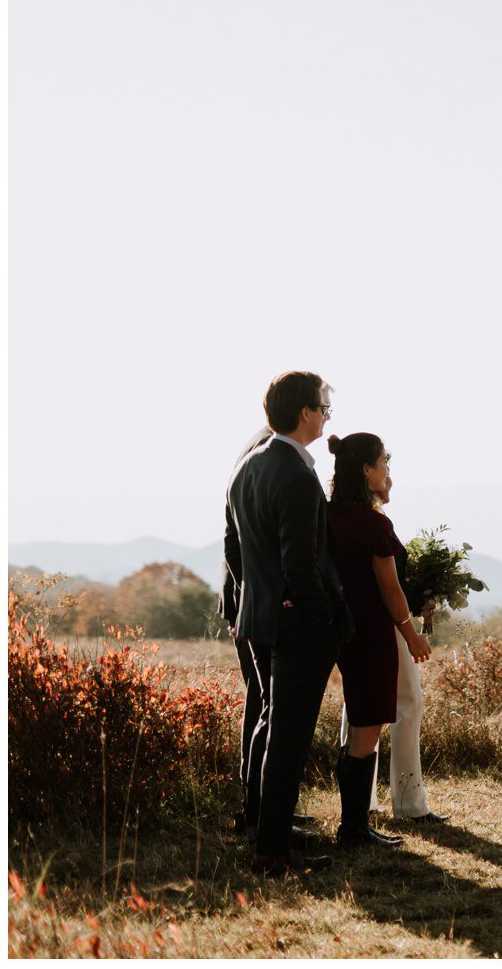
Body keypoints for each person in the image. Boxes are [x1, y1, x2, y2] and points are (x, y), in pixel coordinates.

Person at [225, 371, 352, 876]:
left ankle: (266, 833)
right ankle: (273, 853)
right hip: (297, 625)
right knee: (288, 738)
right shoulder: (296, 475)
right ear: (305, 413)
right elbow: (301, 564)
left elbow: (237, 550)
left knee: (269, 725)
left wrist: (259, 598)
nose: (326, 417)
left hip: (258, 617)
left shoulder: (247, 466)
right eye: (324, 409)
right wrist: (327, 617)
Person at [327, 432, 438, 846]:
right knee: (369, 726)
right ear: (366, 470)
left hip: (341, 631)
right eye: (384, 464)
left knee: (360, 721)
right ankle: (354, 829)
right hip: (374, 633)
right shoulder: (374, 525)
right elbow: (390, 590)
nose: (388, 470)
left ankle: (356, 820)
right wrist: (412, 636)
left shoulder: (327, 517)